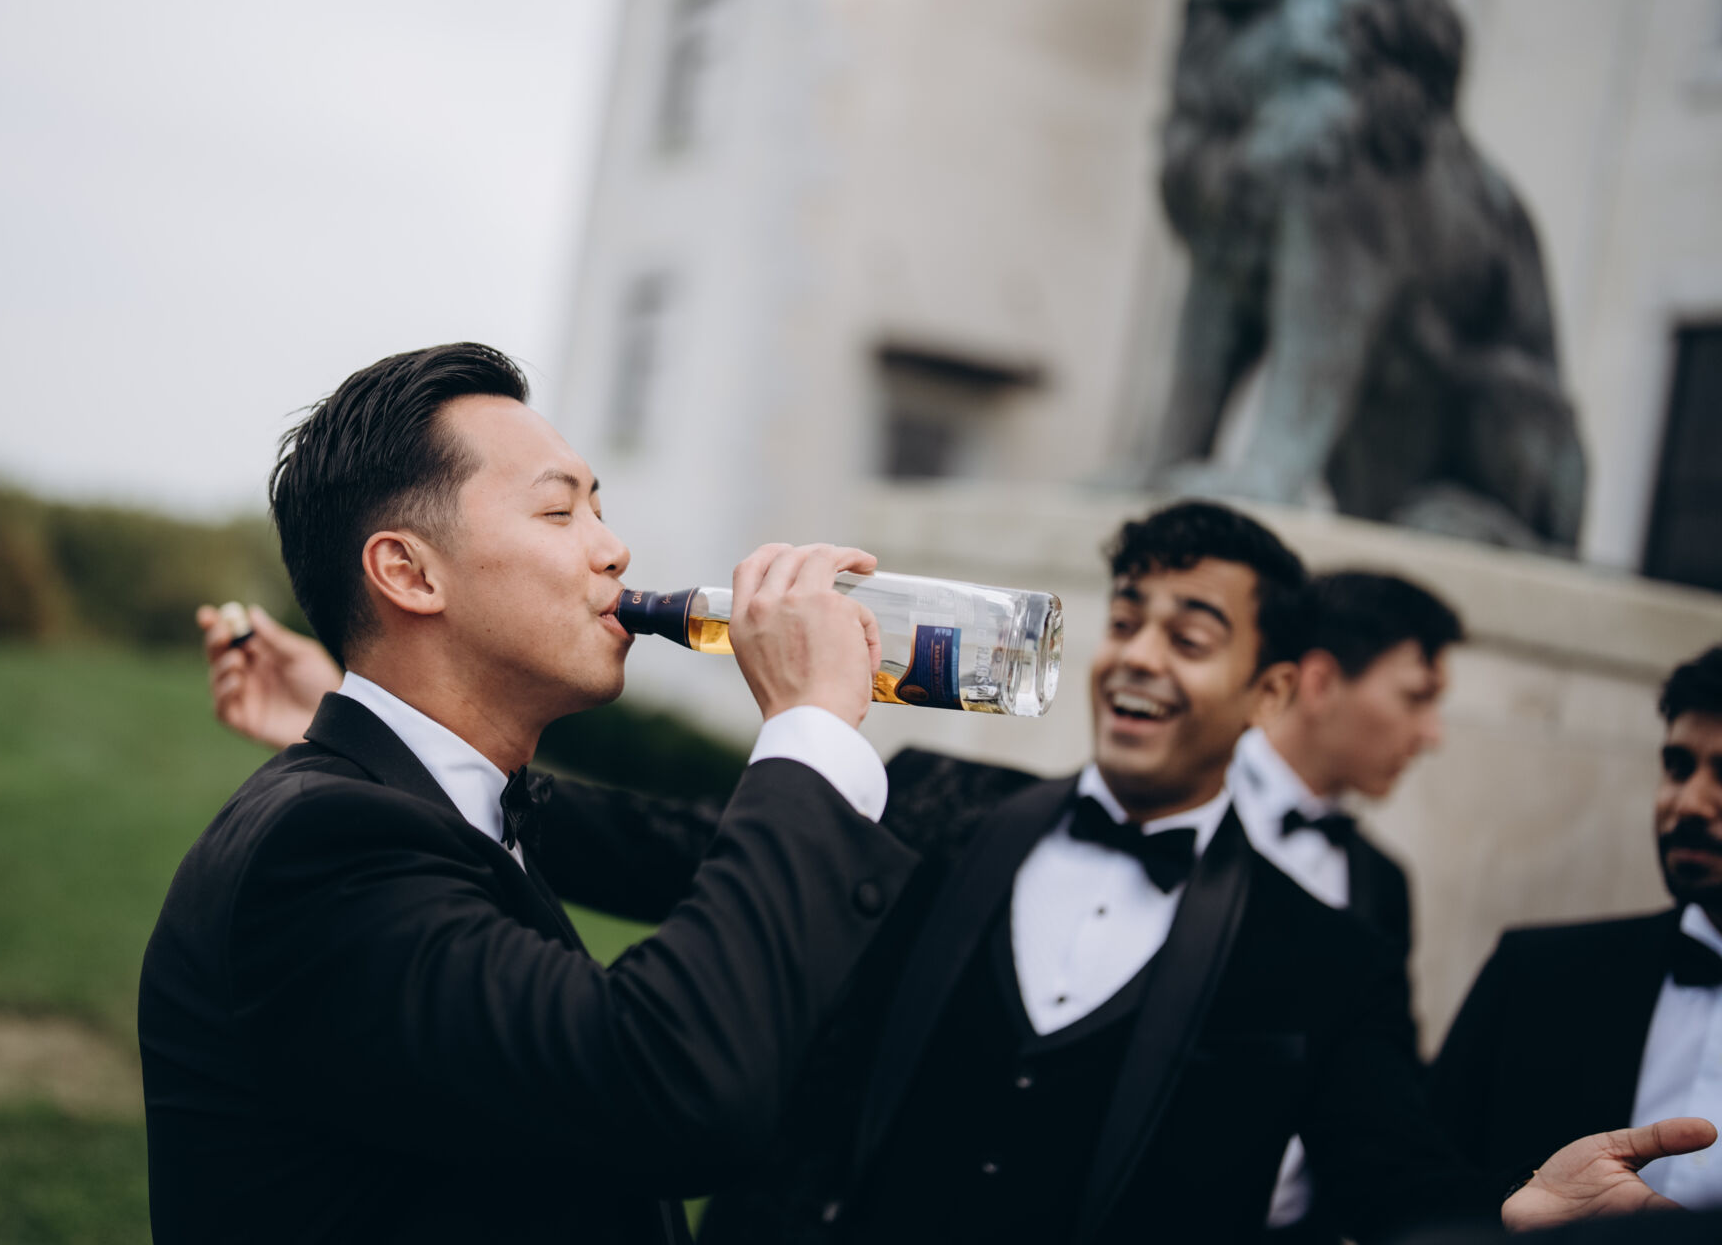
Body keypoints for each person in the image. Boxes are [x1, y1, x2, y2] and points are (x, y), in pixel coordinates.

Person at [195, 501, 1712, 1241]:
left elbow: (1390, 1175)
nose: (1136, 654)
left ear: (1270, 691)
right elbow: (678, 852)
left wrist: (1512, 1212)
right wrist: (409, 732)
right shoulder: (929, 801)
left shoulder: (1325, 950)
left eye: (1191, 633)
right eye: (1128, 617)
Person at [138, 342, 919, 1244]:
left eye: (601, 510)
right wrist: (807, 724)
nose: (614, 549)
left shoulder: (428, 806)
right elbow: (669, 1083)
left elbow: (669, 852)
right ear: (409, 574)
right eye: (559, 511)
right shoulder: (318, 854)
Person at [1431, 644, 1722, 1213]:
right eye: (1678, 766)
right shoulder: (1533, 975)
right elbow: (1424, 1186)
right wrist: (1516, 1205)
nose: (1690, 803)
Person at [1229, 570, 1464, 1241]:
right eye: (1416, 698)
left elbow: (1379, 1095)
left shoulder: (1382, 883)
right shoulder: (1178, 806)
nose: (1432, 734)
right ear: (1320, 681)